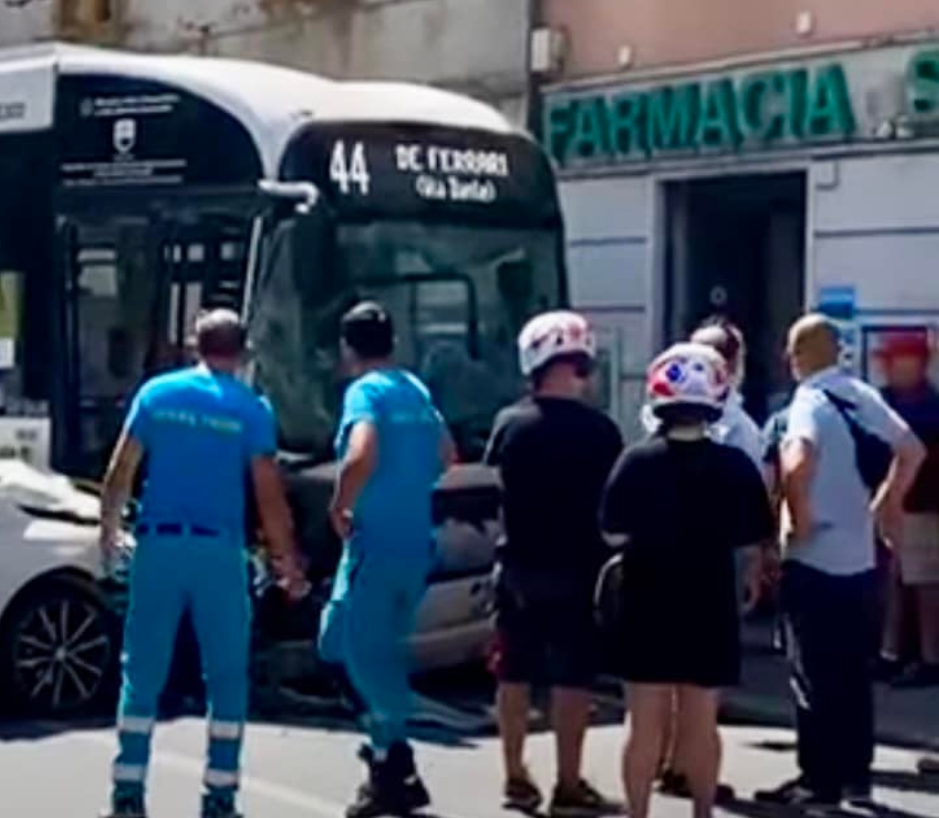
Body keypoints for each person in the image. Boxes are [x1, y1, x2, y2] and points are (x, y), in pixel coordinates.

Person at [97, 309, 308, 818]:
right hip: (219, 554)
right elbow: (268, 495)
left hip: (157, 549)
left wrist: (108, 534)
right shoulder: (252, 409)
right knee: (227, 676)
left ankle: (128, 794)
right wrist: (287, 563)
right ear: (241, 352)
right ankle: (218, 798)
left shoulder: (156, 395)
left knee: (142, 673)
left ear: (194, 344)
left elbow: (120, 469)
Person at [755, 313, 927, 810]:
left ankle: (818, 782)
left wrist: (798, 520)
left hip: (815, 560)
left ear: (799, 357)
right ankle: (856, 779)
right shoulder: (861, 395)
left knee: (812, 673)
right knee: (854, 675)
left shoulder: (808, 401)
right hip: (860, 561)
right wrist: (887, 506)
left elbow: (796, 461)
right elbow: (912, 450)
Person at [602, 342, 776, 818]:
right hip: (709, 599)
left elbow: (611, 529)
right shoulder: (733, 465)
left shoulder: (635, 461)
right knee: (702, 721)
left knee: (643, 723)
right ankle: (702, 811)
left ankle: (638, 812)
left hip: (646, 599)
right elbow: (756, 532)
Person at [318, 302, 455, 818]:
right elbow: (446, 453)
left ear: (346, 348)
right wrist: (409, 488)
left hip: (372, 542)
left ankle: (392, 761)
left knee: (360, 656)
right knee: (344, 643)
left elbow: (362, 451)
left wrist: (340, 502)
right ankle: (388, 756)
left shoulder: (366, 391)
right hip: (413, 541)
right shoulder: (414, 390)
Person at [484, 310, 624, 815]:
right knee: (572, 679)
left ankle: (515, 775)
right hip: (580, 570)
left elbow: (493, 485)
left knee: (514, 673)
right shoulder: (602, 432)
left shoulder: (509, 424)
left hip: (518, 566)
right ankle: (568, 782)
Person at [641, 318, 765, 802]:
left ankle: (673, 762)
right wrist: (758, 559)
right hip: (715, 560)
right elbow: (754, 498)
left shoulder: (657, 414)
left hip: (662, 558)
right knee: (701, 682)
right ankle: (689, 772)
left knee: (669, 675)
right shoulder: (737, 428)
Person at [873, 330, 939, 688]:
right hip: (897, 505)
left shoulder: (926, 409)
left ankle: (929, 659)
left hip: (922, 506)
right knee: (897, 583)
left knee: (924, 584)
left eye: (894, 360)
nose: (887, 368)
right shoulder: (890, 401)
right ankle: (890, 654)